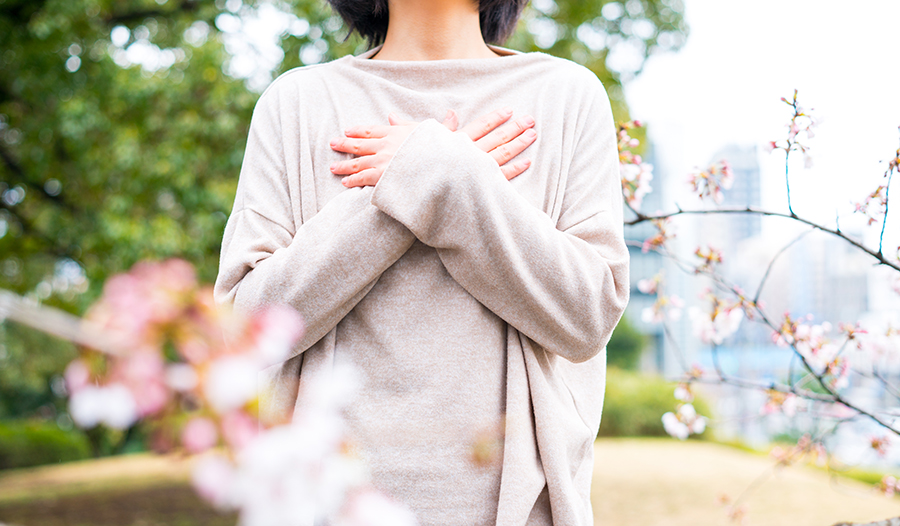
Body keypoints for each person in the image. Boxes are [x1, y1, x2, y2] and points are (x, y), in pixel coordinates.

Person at [214, 0, 630, 524]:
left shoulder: (566, 95)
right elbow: (245, 330)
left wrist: (439, 173)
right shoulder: (296, 103)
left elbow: (588, 316)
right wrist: (428, 178)